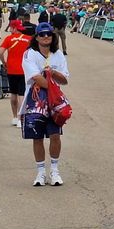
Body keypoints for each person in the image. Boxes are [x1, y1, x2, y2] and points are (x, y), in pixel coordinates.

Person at [21, 22, 69, 186]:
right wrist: (53, 87)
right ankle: (41, 172)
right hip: (35, 101)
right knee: (37, 137)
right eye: (42, 34)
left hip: (54, 103)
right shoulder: (29, 54)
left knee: (55, 135)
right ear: (36, 37)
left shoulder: (58, 55)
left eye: (48, 34)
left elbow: (65, 79)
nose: (46, 36)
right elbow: (36, 77)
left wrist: (54, 72)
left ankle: (54, 170)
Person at [0, 20, 31, 127]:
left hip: (11, 68)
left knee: (13, 93)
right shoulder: (28, 39)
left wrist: (4, 62)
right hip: (23, 69)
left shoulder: (8, 39)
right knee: (22, 94)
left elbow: (0, 52)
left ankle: (14, 117)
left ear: (14, 28)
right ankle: (20, 118)